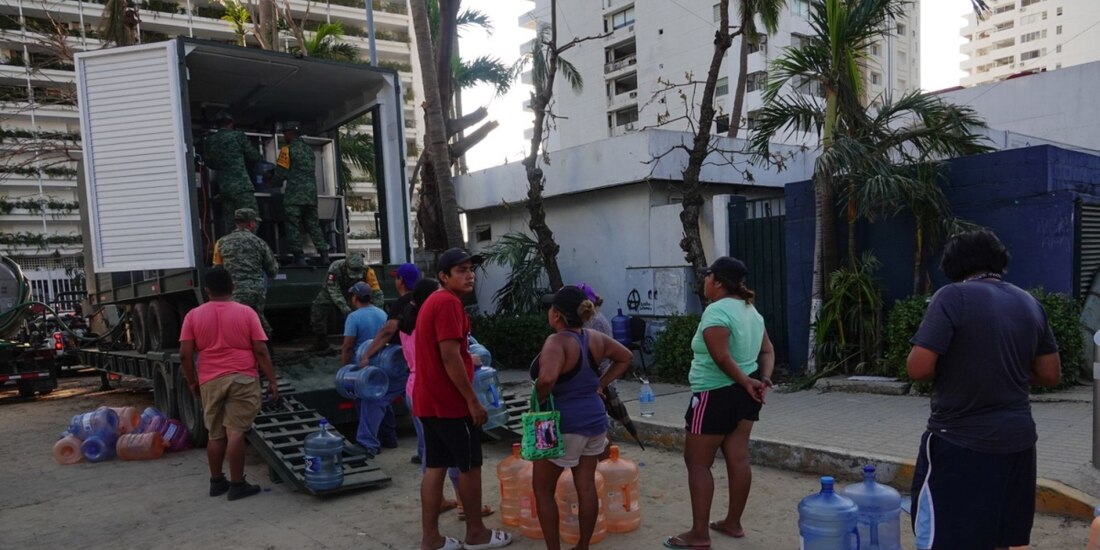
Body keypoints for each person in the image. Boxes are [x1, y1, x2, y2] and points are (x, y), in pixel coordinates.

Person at [907, 229, 1061, 550]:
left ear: (953, 265)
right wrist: (1005, 370)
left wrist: (964, 368)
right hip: (1018, 444)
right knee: (1000, 537)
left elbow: (918, 367)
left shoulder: (952, 296)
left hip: (960, 440)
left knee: (942, 537)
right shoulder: (1029, 301)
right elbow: (1050, 373)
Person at [665, 256, 774, 550]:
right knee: (738, 458)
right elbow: (767, 350)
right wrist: (761, 380)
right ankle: (733, 523)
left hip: (714, 395)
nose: (703, 282)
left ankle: (700, 534)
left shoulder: (716, 312)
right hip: (747, 394)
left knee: (697, 463)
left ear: (717, 281)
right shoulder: (751, 311)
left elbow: (721, 357)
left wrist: (747, 381)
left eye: (707, 276)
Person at [414, 248, 512, 550]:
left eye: (470, 269)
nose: (469, 274)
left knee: (435, 467)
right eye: (461, 270)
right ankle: (476, 534)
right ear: (443, 276)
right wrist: (472, 400)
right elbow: (449, 355)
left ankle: (431, 538)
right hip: (450, 403)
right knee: (469, 466)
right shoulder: (447, 303)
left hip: (428, 400)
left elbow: (448, 353)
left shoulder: (434, 301)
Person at [531, 285, 632, 550]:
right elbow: (625, 357)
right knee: (585, 484)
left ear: (556, 315)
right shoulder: (594, 338)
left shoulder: (556, 342)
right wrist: (599, 384)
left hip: (559, 423)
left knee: (542, 489)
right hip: (595, 420)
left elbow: (547, 378)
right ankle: (583, 546)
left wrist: (539, 398)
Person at [179, 267, 278, 501]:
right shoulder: (247, 313)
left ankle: (216, 481)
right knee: (235, 431)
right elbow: (261, 350)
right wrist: (272, 381)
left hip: (210, 379)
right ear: (233, 286)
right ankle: (237, 484)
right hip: (243, 377)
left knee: (215, 434)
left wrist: (192, 382)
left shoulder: (193, 315)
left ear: (207, 290)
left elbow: (185, 354)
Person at [339, 282, 393, 456]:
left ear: (355, 298)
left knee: (365, 402)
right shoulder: (381, 313)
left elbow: (348, 346)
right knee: (383, 398)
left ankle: (369, 443)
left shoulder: (354, 317)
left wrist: (346, 368)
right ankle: (390, 437)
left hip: (363, 367)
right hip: (383, 364)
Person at [212, 208, 278, 336]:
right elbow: (272, 270)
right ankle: (266, 347)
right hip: (255, 291)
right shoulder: (260, 242)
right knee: (257, 319)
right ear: (251, 224)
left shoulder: (220, 243)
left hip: (232, 291)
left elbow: (218, 270)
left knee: (233, 322)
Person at [270, 121, 327, 266]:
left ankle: (299, 258)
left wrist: (270, 183)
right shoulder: (309, 151)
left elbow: (280, 174)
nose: (284, 136)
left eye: (285, 133)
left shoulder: (286, 150)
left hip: (294, 196)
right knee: (313, 225)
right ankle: (324, 255)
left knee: (292, 225)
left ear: (290, 133)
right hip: (311, 196)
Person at [309, 253, 382, 352]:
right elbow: (334, 290)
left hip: (352, 292)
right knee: (318, 308)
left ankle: (357, 339)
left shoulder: (367, 271)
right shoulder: (335, 267)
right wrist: (346, 310)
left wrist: (377, 312)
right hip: (331, 291)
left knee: (358, 315)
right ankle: (321, 340)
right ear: (346, 265)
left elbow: (376, 291)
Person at [203, 111, 260, 230]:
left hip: (225, 188)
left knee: (231, 222)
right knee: (251, 219)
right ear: (231, 124)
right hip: (242, 187)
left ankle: (233, 247)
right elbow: (254, 156)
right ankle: (249, 246)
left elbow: (209, 163)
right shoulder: (238, 136)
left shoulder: (210, 140)